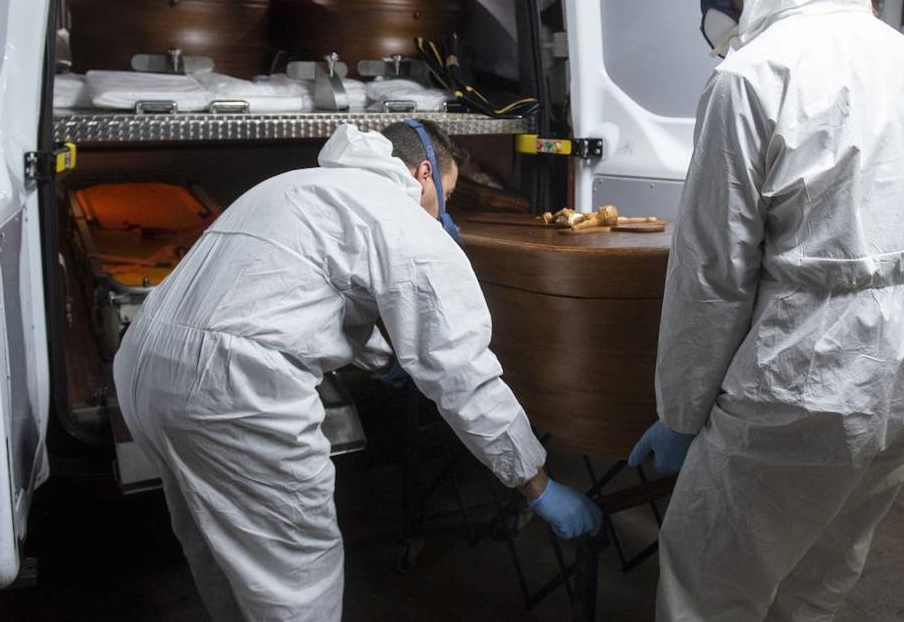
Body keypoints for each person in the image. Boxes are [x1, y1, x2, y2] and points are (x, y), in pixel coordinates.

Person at [627, 0, 904, 621]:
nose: (717, 8)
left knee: (709, 576)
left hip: (816, 372)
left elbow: (713, 276)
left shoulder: (752, 77)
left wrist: (681, 412)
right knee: (827, 561)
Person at [113, 120, 601, 621]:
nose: (444, 214)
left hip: (143, 366)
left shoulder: (296, 185)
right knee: (295, 583)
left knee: (222, 556)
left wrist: (386, 360)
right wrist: (537, 484)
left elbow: (303, 292)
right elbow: (462, 374)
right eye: (448, 196)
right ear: (423, 173)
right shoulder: (403, 220)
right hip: (232, 392)